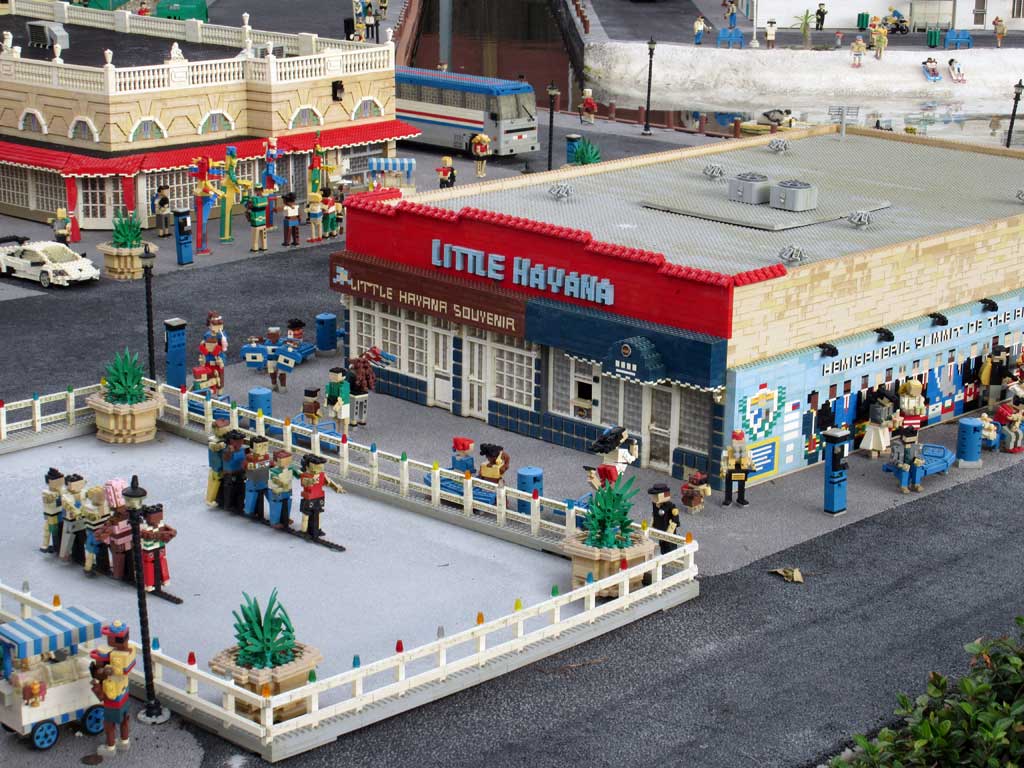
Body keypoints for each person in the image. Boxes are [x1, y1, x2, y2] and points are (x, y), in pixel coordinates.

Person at [647, 483, 680, 554]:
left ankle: (672, 556)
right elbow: (654, 515)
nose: (654, 497)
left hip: (668, 530)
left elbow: (675, 519)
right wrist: (651, 526)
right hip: (660, 529)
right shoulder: (656, 505)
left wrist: (670, 531)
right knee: (662, 544)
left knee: (670, 545)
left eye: (656, 495)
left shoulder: (670, 506)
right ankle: (663, 554)